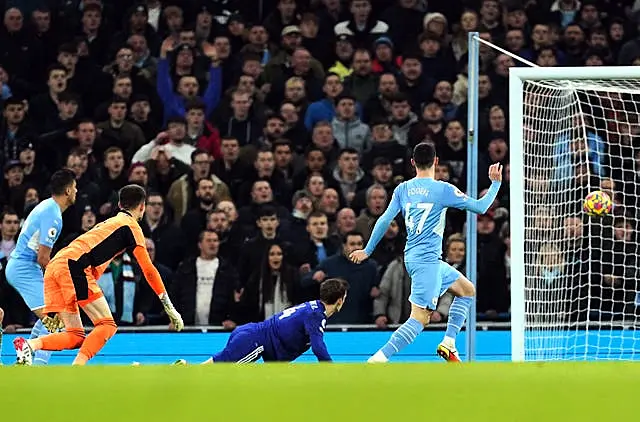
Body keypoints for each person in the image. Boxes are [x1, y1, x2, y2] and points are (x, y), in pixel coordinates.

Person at [349, 142, 502, 363]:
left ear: (413, 163)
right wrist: (495, 184)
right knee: (420, 318)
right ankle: (378, 359)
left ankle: (449, 343)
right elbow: (480, 207)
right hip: (426, 261)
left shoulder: (403, 189)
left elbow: (384, 219)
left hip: (416, 257)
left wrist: (367, 249)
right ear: (436, 161)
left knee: (466, 290)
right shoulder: (443, 189)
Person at [13, 185, 185, 366]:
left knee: (75, 336)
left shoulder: (108, 223)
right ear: (142, 206)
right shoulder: (131, 227)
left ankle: (29, 345)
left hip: (56, 265)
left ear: (119, 204)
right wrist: (169, 307)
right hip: (74, 267)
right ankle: (78, 367)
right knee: (107, 325)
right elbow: (148, 269)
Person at [174, 278, 349, 364]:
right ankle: (185, 370)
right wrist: (333, 372)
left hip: (253, 334)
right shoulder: (316, 316)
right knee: (219, 371)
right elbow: (319, 348)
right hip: (255, 342)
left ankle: (185, 369)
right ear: (340, 301)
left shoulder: (313, 307)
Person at [5, 169, 77, 365]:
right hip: (24, 269)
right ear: (69, 190)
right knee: (56, 321)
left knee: (50, 318)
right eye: (75, 187)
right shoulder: (53, 215)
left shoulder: (45, 206)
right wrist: (60, 282)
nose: (77, 191)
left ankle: (25, 355)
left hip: (23, 267)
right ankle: (39, 367)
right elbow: (43, 257)